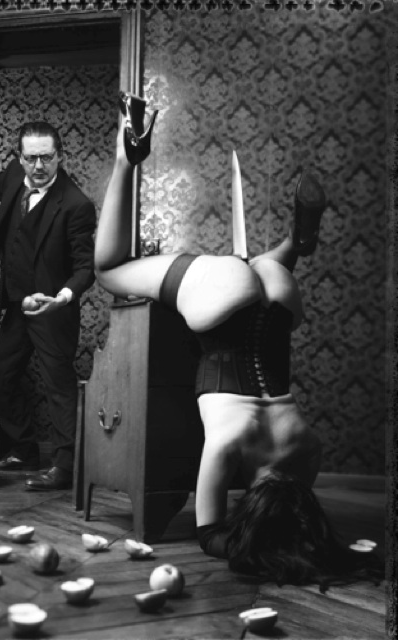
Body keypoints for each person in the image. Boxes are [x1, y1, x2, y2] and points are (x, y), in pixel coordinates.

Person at [93, 92, 384, 590]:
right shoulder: (226, 446)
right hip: (220, 296)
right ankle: (126, 160)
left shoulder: (306, 449)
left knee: (258, 270)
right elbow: (209, 535)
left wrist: (300, 542)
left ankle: (294, 246)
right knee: (108, 269)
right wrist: (254, 549)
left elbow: (288, 514)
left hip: (279, 298)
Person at [0, 107, 96, 491]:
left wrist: (63, 297)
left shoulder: (76, 204)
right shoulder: (11, 177)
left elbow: (86, 267)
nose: (39, 166)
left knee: (59, 387)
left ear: (59, 156)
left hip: (53, 310)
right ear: (20, 157)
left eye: (47, 157)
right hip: (16, 305)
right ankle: (23, 449)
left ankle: (65, 467)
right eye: (31, 157)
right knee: (1, 376)